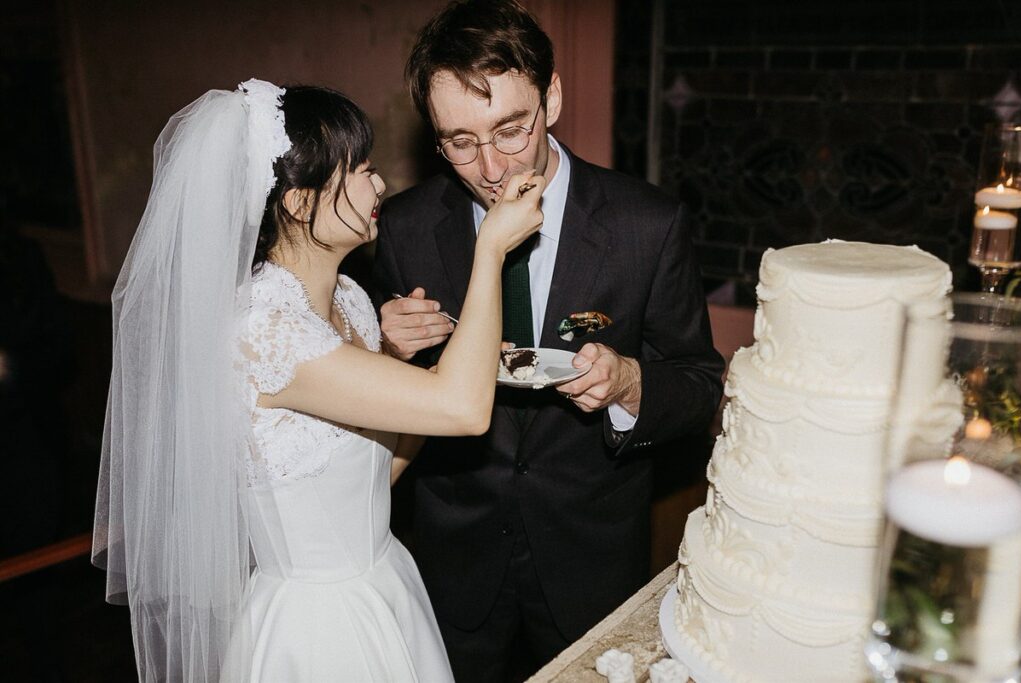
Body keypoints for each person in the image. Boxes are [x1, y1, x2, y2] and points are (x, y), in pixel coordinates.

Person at [92, 80, 544, 682]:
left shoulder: (349, 300)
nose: (380, 183)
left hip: (385, 580)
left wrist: (438, 375)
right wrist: (490, 249)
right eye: (359, 169)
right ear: (300, 202)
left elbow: (373, 470)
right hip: (318, 624)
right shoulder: (262, 331)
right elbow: (463, 412)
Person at [372, 1, 726, 679]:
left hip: (591, 558)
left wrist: (628, 382)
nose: (492, 167)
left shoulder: (645, 223)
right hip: (454, 561)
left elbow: (699, 380)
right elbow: (371, 403)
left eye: (510, 129)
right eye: (460, 141)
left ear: (552, 97)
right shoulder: (405, 229)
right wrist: (389, 353)